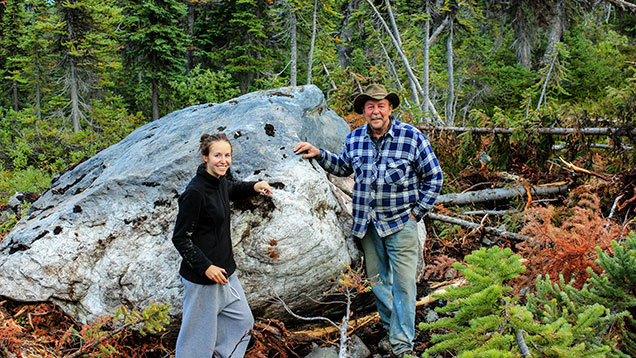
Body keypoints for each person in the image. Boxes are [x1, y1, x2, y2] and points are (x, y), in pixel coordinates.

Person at [294, 83, 443, 357]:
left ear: (390, 108)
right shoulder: (355, 138)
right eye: (370, 106)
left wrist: (416, 213)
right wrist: (319, 154)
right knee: (377, 282)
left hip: (401, 223)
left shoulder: (412, 137)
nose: (376, 111)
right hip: (368, 224)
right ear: (364, 111)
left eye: (381, 106)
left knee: (404, 285)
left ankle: (402, 345)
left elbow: (435, 177)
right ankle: (392, 330)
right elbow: (343, 167)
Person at [172, 133, 273, 358]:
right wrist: (206, 267)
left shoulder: (217, 182)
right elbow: (180, 238)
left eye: (227, 155)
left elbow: (230, 189)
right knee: (197, 341)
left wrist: (254, 186)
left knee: (242, 322)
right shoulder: (195, 192)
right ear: (205, 157)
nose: (223, 160)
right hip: (203, 280)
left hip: (227, 272)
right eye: (217, 155)